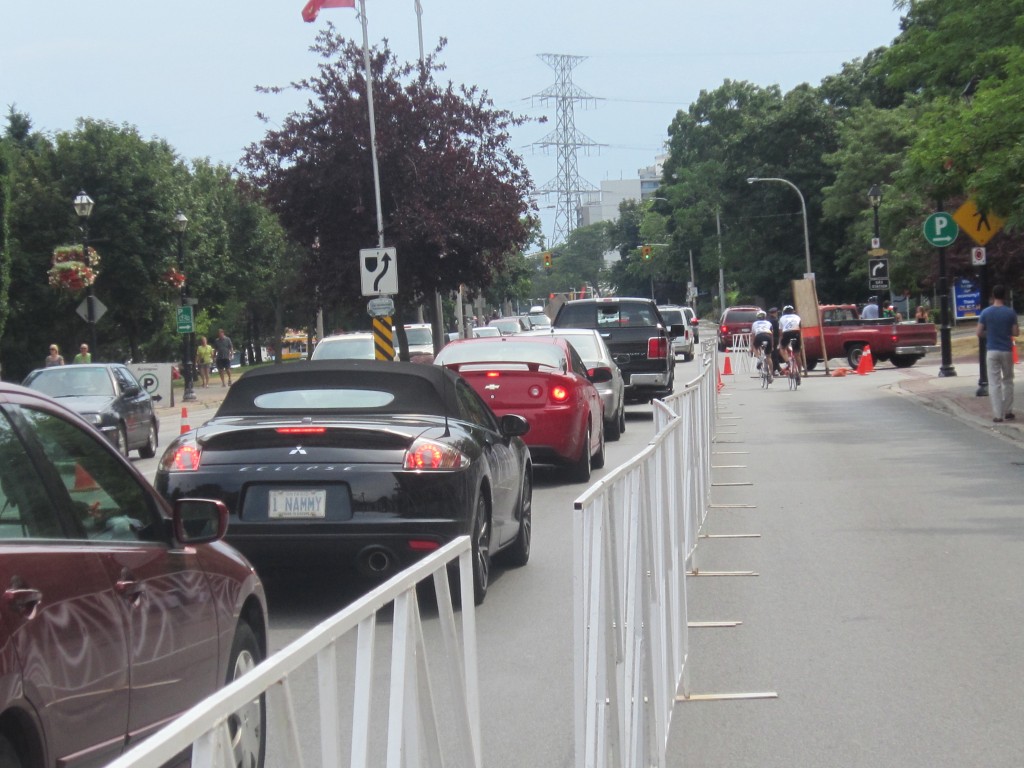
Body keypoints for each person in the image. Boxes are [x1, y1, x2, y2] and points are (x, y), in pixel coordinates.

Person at [976, 284, 1019, 423]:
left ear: (993, 296)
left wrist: (989, 334)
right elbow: (1015, 332)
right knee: (1008, 380)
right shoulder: (1010, 313)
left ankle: (998, 414)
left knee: (994, 383)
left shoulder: (986, 313)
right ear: (1005, 296)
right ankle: (1008, 411)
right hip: (1006, 350)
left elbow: (979, 332)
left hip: (992, 350)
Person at [778, 305, 802, 370]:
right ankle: (800, 372)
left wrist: (780, 342)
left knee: (782, 349)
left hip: (786, 333)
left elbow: (780, 332)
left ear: (784, 312)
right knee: (797, 354)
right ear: (793, 311)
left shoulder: (782, 318)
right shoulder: (797, 317)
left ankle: (788, 362)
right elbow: (800, 328)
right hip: (796, 333)